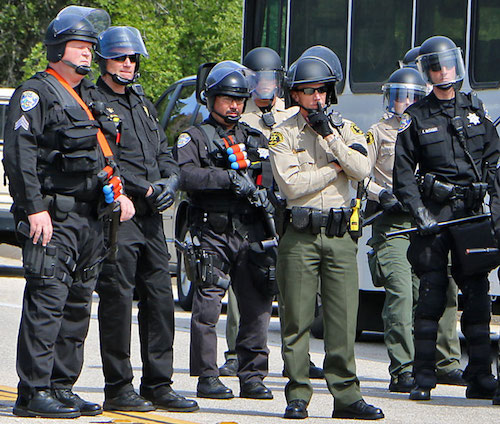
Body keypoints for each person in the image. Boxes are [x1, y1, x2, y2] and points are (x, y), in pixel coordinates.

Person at [3, 6, 135, 419]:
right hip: (54, 218)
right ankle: (33, 391)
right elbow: (19, 155)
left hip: (91, 218)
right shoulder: (36, 93)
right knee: (48, 301)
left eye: (89, 47)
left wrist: (119, 195)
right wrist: (34, 208)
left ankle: (61, 387)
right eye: (79, 46)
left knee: (78, 305)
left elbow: (102, 154)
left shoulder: (88, 98)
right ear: (59, 48)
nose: (87, 53)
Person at [269, 45, 384, 420]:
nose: (316, 97)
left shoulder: (345, 127)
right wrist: (334, 169)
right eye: (308, 90)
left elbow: (362, 168)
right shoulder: (281, 133)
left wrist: (331, 139)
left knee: (342, 318)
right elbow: (291, 185)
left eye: (321, 90)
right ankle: (298, 394)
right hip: (299, 236)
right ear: (296, 94)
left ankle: (347, 396)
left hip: (339, 236)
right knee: (297, 319)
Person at [94, 26, 198, 413]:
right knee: (118, 301)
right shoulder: (94, 101)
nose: (127, 64)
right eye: (121, 57)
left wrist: (171, 180)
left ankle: (158, 383)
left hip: (153, 216)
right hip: (120, 212)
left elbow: (164, 151)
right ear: (104, 59)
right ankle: (118, 387)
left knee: (160, 300)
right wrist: (144, 187)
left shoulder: (141, 101)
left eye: (132, 58)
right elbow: (106, 159)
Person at [393, 35, 500, 401]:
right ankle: (423, 378)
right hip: (435, 216)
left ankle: (481, 376)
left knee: (477, 297)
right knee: (431, 296)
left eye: (447, 64)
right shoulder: (416, 117)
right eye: (435, 66)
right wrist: (419, 212)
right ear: (427, 71)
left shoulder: (475, 109)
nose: (443, 72)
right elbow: (403, 174)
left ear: (457, 65)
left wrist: (487, 192)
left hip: (469, 215)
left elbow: (492, 157)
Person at [218, 47, 327, 379]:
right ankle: (238, 351)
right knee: (246, 281)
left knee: (296, 283)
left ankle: (298, 354)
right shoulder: (239, 114)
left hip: (287, 206)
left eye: (270, 78)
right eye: (258, 79)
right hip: (252, 208)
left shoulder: (293, 115)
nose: (265, 85)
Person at [173, 60, 275, 400]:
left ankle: (253, 376)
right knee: (207, 307)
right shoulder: (195, 137)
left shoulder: (255, 137)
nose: (234, 105)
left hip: (250, 231)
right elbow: (184, 176)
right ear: (211, 99)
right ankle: (207, 376)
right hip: (212, 232)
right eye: (226, 99)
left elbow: (273, 176)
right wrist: (226, 178)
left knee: (257, 306)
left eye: (239, 99)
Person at [365, 66, 464, 393]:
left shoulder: (434, 126)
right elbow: (359, 175)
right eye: (398, 96)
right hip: (392, 222)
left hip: (430, 221)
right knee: (401, 293)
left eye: (410, 96)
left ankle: (446, 362)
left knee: (445, 290)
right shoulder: (378, 132)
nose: (403, 102)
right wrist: (382, 194)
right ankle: (403, 369)